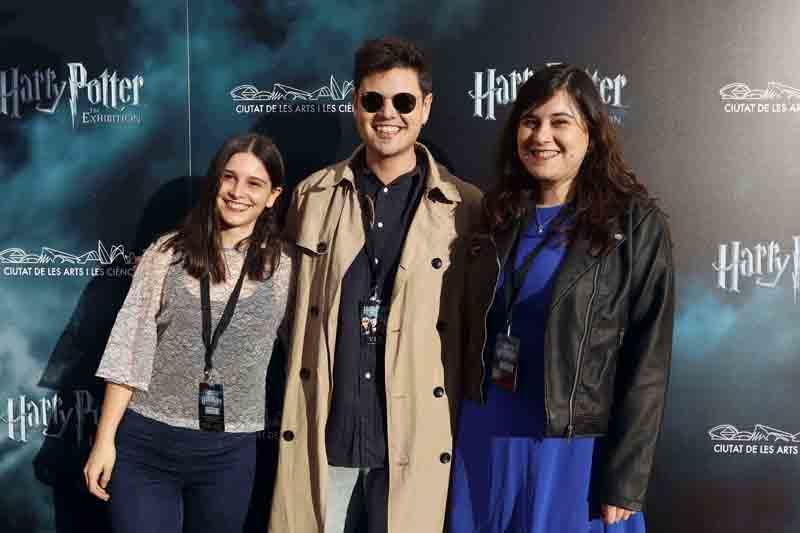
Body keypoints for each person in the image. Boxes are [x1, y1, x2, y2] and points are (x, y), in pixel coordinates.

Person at [268, 37, 483, 533]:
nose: (389, 113)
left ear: (426, 108)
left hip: (415, 439)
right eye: (374, 100)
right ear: (355, 105)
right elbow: (285, 310)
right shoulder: (311, 198)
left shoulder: (465, 208)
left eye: (404, 101)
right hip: (327, 430)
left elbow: (475, 328)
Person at [451, 64, 674, 532]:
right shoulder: (495, 217)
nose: (541, 136)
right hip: (486, 437)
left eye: (560, 122)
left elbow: (647, 362)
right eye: (530, 121)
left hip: (574, 451)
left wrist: (625, 479)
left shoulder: (633, 225)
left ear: (591, 133)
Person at [83, 133, 293, 533]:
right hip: (146, 446)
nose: (237, 192)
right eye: (228, 178)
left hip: (228, 455)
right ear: (214, 182)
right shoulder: (167, 253)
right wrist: (104, 440)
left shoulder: (286, 269)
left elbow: (307, 351)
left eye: (254, 183)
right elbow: (129, 348)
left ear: (273, 195)